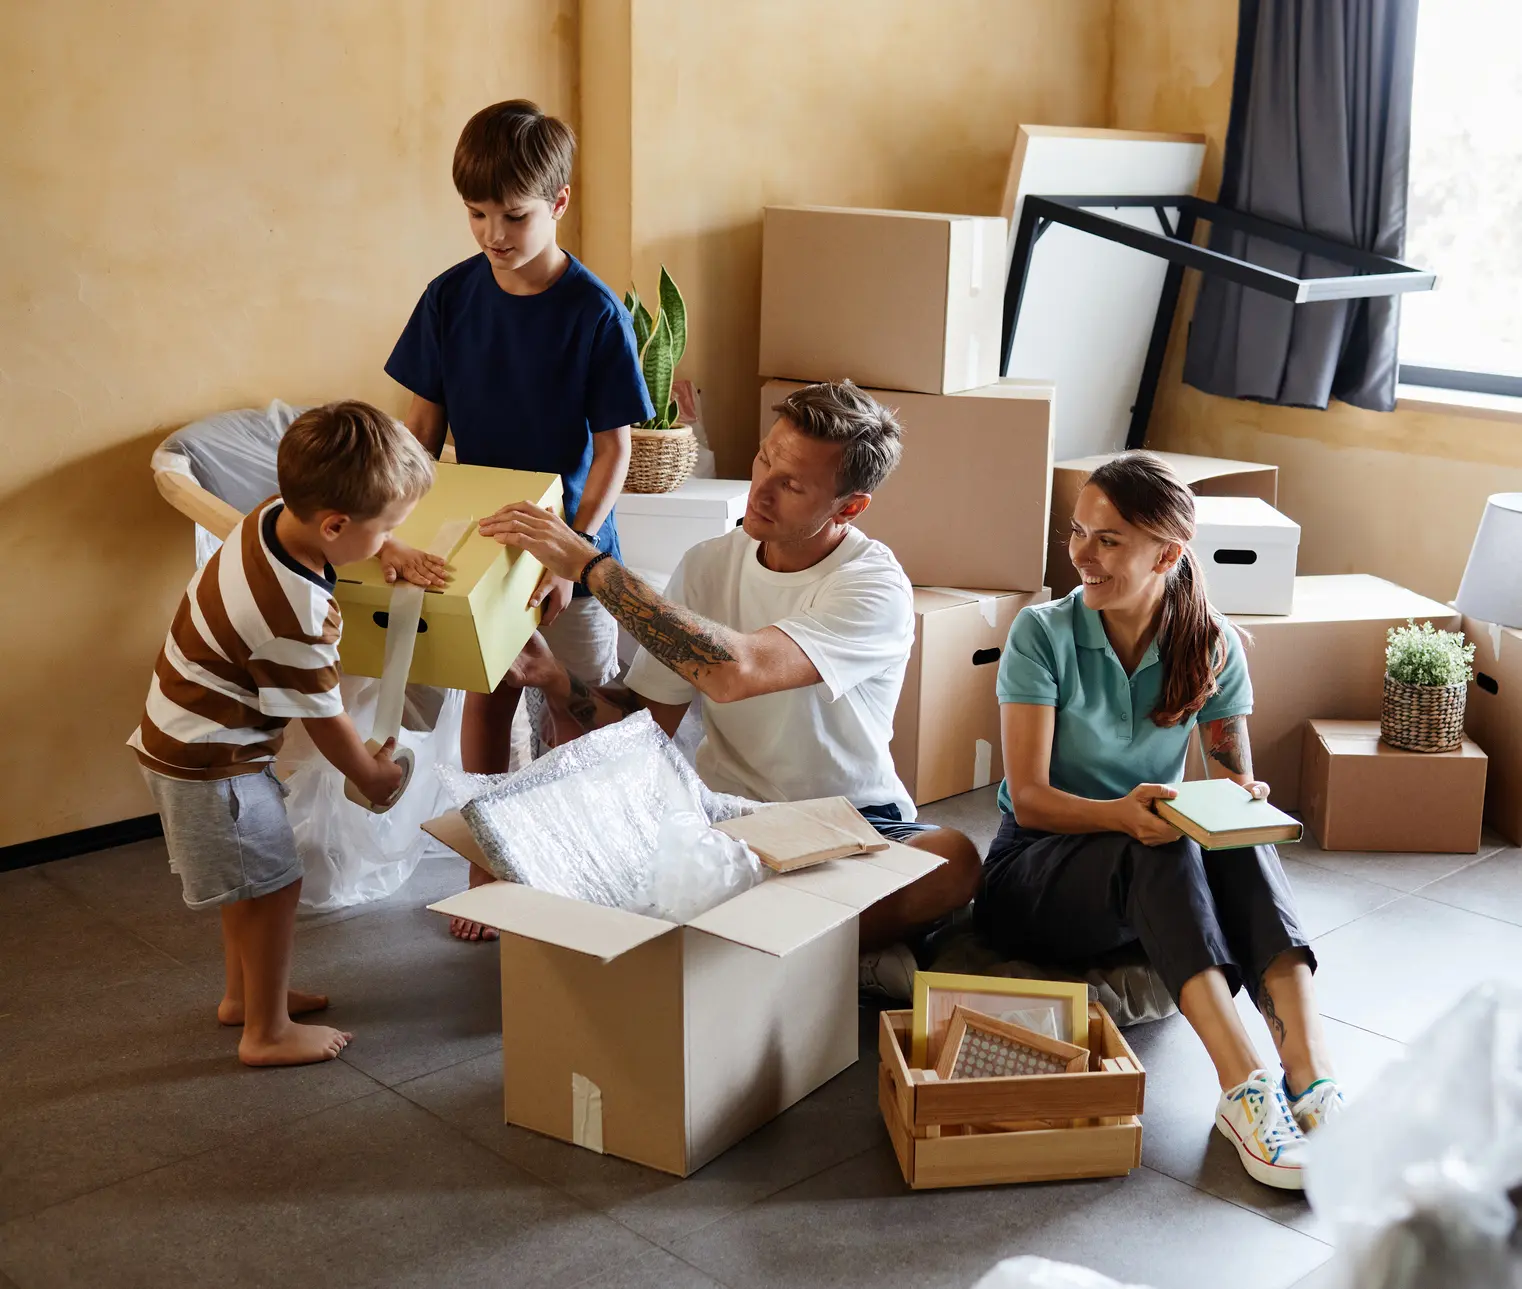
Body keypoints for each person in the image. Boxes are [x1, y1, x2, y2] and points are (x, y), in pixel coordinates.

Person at [479, 381, 983, 999]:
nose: (762, 488)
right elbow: (642, 723)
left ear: (849, 508)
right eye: (766, 458)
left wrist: (589, 564)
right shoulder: (709, 562)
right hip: (725, 824)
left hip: (851, 823)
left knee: (953, 859)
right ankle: (813, 957)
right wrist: (556, 681)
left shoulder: (872, 586)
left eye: (792, 483)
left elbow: (734, 671)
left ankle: (753, 958)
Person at [974, 452, 1344, 1190]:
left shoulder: (1212, 644)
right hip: (1035, 868)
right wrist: (1121, 812)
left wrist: (1244, 797)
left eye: (1108, 539)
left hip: (1140, 861)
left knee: (1225, 832)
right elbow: (1034, 795)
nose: (1082, 553)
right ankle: (1243, 1088)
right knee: (1162, 834)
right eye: (1078, 532)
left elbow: (1232, 779)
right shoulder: (1040, 633)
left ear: (1168, 554)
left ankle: (1310, 1075)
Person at [381, 99, 653, 938]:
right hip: (483, 546)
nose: (493, 233)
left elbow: (615, 451)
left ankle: (574, 860)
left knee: (574, 704)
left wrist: (568, 557)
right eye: (477, 214)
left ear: (559, 204)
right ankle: (489, 866)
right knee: (490, 697)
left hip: (573, 550)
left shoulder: (594, 312)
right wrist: (390, 531)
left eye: (514, 215)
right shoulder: (448, 298)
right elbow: (418, 436)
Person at [128, 402, 433, 1066]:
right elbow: (325, 719)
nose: (390, 541)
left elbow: (339, 536)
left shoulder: (271, 514)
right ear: (335, 524)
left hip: (186, 737)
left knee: (253, 881)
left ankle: (245, 995)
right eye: (388, 529)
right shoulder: (294, 613)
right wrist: (373, 775)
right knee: (273, 885)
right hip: (216, 763)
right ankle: (264, 1031)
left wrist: (387, 542)